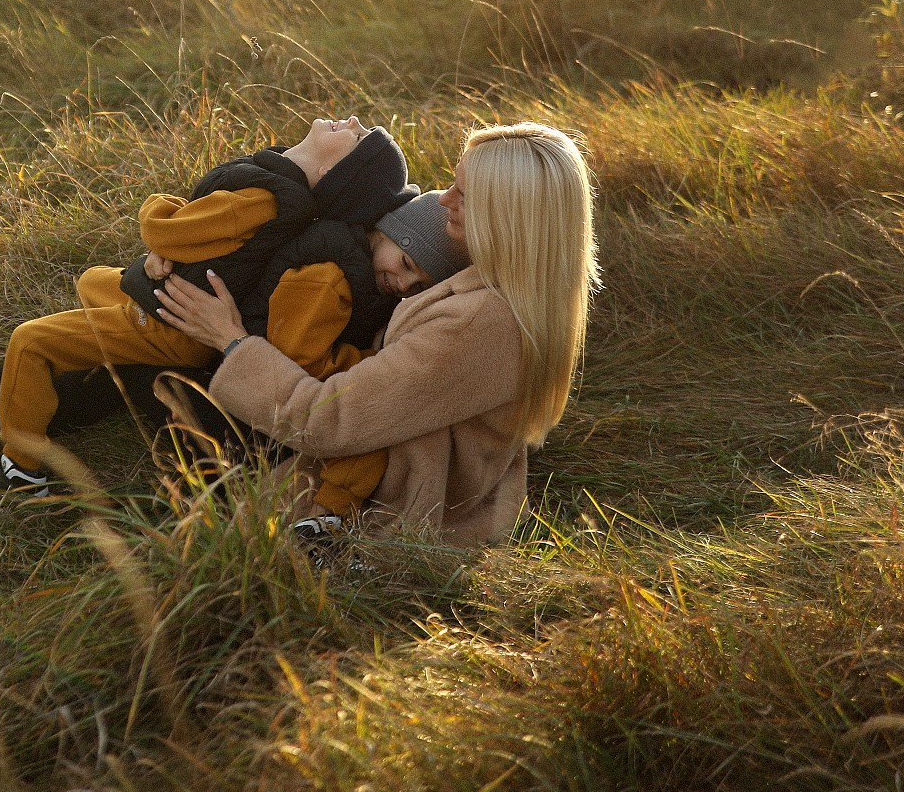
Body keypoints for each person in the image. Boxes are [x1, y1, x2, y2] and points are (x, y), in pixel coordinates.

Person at [0, 116, 460, 516]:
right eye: (405, 263)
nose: (402, 282)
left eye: (415, 278)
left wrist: (168, 229)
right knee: (97, 292)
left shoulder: (327, 251)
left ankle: (18, 468)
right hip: (228, 357)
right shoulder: (329, 234)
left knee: (48, 343)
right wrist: (169, 265)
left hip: (235, 384)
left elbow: (298, 346)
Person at [153, 122, 596, 548]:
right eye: (453, 182)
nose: (444, 200)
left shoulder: (476, 323)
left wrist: (231, 339)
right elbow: (378, 230)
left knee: (162, 378)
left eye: (465, 194)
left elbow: (328, 420)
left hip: (374, 497)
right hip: (389, 455)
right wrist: (180, 248)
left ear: (509, 217)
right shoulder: (509, 283)